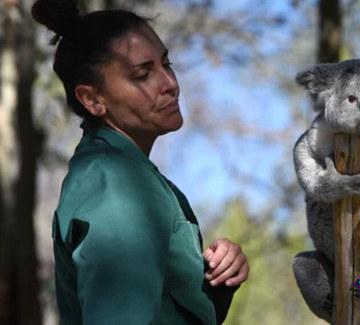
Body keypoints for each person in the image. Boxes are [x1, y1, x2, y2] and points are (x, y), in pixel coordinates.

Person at [31, 0, 249, 324]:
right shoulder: (115, 185)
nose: (170, 84)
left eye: (166, 64)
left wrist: (216, 280)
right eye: (143, 74)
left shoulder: (125, 174)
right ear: (92, 99)